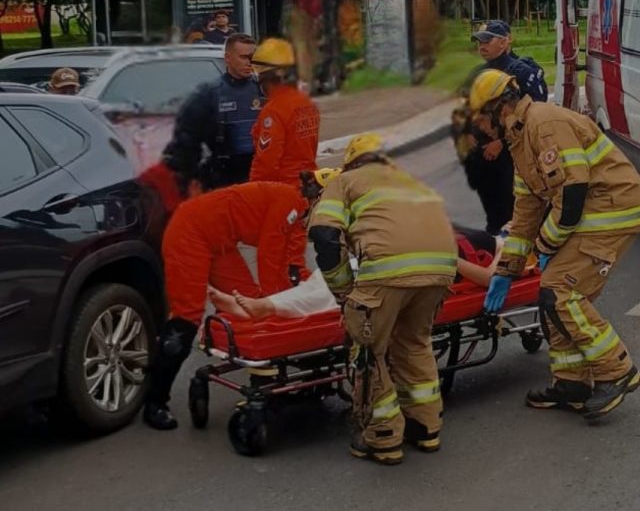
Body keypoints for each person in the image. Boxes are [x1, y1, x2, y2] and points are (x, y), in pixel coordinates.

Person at [469, 68, 640, 422]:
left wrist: (545, 246)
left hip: (610, 212)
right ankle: (572, 383)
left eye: (480, 115)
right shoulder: (519, 138)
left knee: (561, 292)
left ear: (499, 107)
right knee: (550, 295)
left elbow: (572, 192)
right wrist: (507, 270)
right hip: (588, 215)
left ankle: (616, 370)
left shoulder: (543, 123)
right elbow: (525, 211)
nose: (479, 125)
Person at [308, 133, 457, 465]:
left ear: (351, 162)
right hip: (441, 269)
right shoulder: (412, 181)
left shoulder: (345, 181)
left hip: (389, 271)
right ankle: (426, 426)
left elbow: (324, 236)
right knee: (415, 343)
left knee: (368, 352)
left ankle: (384, 438)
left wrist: (344, 291)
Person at [142, 180, 315, 430]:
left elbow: (287, 260)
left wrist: (284, 294)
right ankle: (155, 401)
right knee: (186, 318)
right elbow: (269, 254)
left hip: (219, 239)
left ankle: (265, 382)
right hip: (190, 233)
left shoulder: (293, 208)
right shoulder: (291, 204)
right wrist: (272, 302)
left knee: (247, 308)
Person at [216, 224, 505, 320]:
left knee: (340, 289)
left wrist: (449, 261)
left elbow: (493, 279)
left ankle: (265, 307)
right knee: (325, 275)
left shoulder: (508, 247)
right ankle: (265, 306)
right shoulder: (478, 231)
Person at [455, 20, 548, 235]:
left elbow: (533, 117)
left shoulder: (523, 73)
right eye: (479, 42)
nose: (482, 46)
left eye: (488, 40)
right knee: (491, 210)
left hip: (513, 155)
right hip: (484, 156)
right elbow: (463, 108)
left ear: (506, 41)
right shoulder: (477, 73)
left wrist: (502, 143)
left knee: (515, 207)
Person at [161, 33, 263, 194]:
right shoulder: (210, 94)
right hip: (224, 178)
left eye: (253, 57)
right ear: (228, 58)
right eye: (244, 57)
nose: (249, 62)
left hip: (260, 175)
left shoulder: (263, 90)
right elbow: (186, 142)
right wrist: (189, 179)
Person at [248, 37, 321, 185]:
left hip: (284, 189)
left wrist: (252, 191)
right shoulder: (306, 103)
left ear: (264, 78)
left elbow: (266, 164)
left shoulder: (274, 111)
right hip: (309, 184)